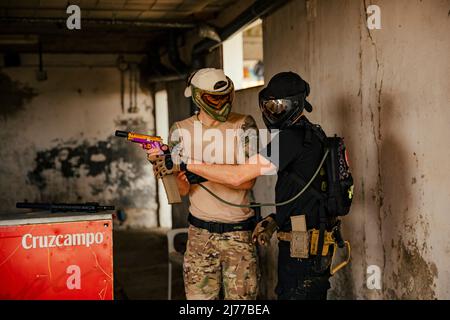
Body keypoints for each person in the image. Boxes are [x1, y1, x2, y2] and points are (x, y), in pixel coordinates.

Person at [176, 71, 339, 300]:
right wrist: (275, 219)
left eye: (281, 106)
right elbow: (304, 193)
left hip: (304, 248)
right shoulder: (310, 134)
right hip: (306, 242)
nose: (275, 112)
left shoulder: (289, 138)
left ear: (297, 105)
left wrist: (187, 163)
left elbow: (240, 177)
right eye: (270, 106)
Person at [148, 68, 259, 300]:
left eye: (224, 97)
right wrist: (165, 170)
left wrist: (193, 166)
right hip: (200, 234)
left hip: (238, 234)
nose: (220, 103)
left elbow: (246, 180)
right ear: (198, 96)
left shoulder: (244, 125)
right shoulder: (180, 131)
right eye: (213, 98)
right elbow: (183, 190)